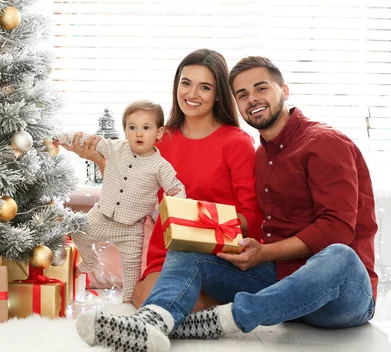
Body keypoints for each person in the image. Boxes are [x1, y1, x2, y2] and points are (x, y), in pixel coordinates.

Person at [75, 56, 378, 352]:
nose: (252, 99)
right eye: (243, 94)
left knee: (339, 255)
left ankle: (223, 320)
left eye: (262, 88)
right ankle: (152, 323)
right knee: (188, 246)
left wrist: (263, 253)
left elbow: (337, 229)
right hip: (279, 284)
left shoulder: (324, 143)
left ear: (284, 91)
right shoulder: (263, 154)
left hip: (338, 296)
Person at [63, 48, 263, 312]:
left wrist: (195, 222)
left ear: (217, 95)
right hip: (168, 254)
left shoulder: (236, 143)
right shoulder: (160, 139)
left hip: (216, 256)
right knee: (142, 297)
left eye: (204, 87)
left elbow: (252, 219)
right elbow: (132, 185)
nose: (192, 94)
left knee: (167, 303)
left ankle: (220, 306)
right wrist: (95, 158)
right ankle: (207, 311)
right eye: (186, 83)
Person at [54, 100, 186, 303]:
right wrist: (61, 137)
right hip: (102, 215)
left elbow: (175, 187)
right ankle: (89, 260)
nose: (139, 133)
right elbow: (86, 139)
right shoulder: (114, 148)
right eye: (132, 127)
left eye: (146, 128)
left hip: (131, 228)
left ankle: (126, 305)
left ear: (158, 133)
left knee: (132, 274)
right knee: (78, 232)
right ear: (125, 131)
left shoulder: (161, 166)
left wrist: (178, 200)